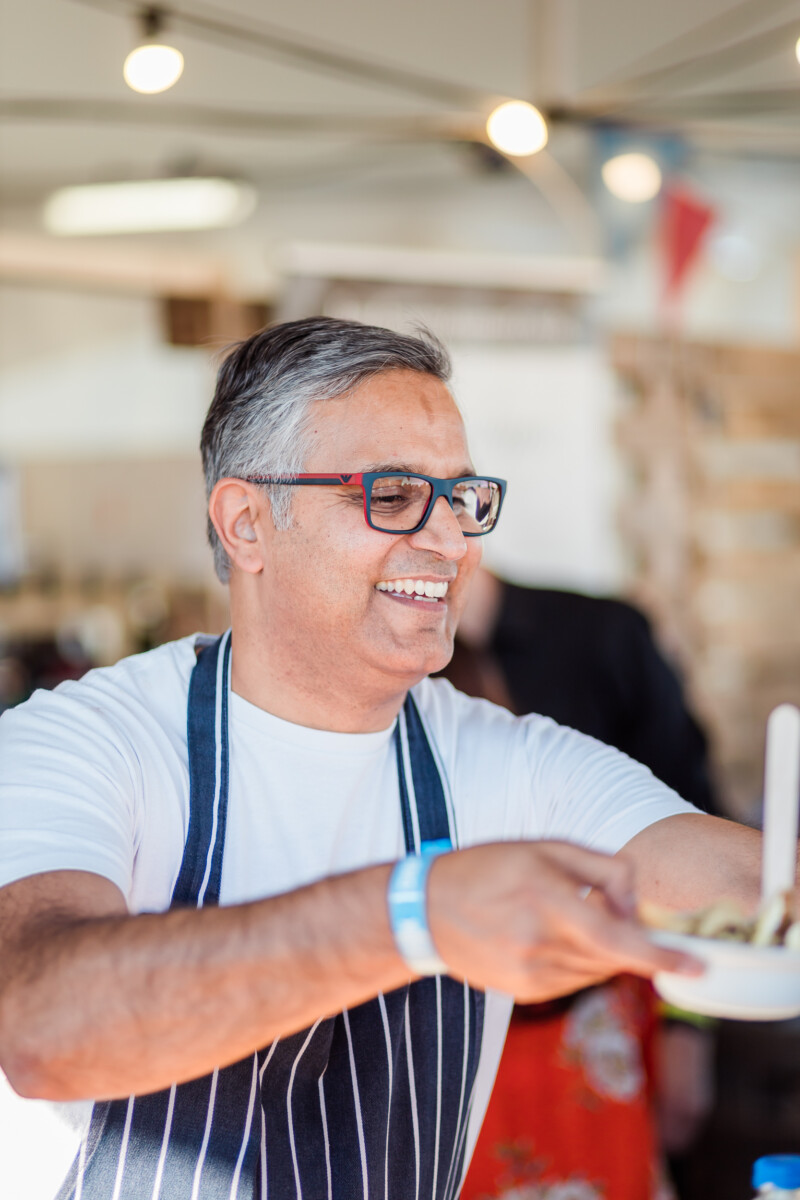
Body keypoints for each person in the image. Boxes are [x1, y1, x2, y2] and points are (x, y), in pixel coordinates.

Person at [0, 318, 768, 1200]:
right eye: (394, 496)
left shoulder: (510, 763)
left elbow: (741, 888)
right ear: (247, 523)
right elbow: (39, 1022)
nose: (450, 541)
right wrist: (415, 915)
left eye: (464, 498)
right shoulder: (85, 742)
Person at [444, 571, 718, 1199]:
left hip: (595, 1024)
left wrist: (688, 1028)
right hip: (455, 1043)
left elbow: (698, 849)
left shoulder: (606, 638)